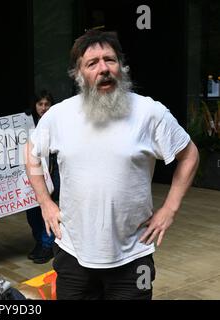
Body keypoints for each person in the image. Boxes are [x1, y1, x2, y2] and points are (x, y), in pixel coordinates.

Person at [25, 30, 199, 300]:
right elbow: (31, 152)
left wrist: (170, 208)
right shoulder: (59, 115)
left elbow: (189, 155)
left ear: (122, 67)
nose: (103, 68)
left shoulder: (150, 113)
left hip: (133, 257)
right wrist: (45, 202)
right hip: (73, 255)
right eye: (92, 63)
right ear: (79, 74)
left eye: (110, 60)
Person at [25, 90, 60, 264]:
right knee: (31, 211)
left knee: (47, 206)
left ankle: (47, 245)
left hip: (50, 172)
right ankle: (40, 241)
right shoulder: (25, 124)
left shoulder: (56, 124)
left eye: (47, 104)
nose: (44, 108)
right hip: (29, 174)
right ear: (35, 106)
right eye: (40, 104)